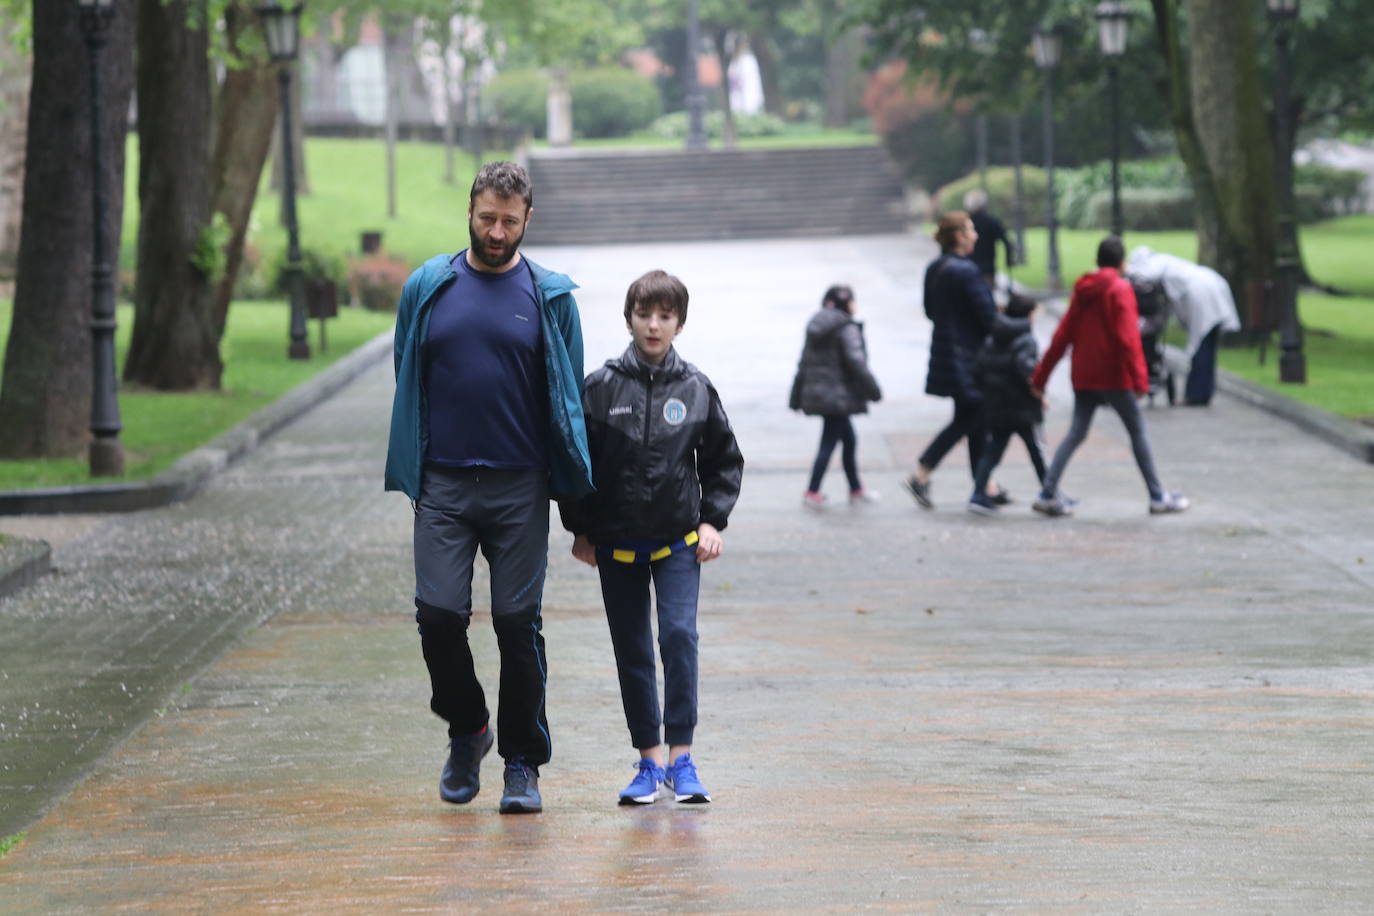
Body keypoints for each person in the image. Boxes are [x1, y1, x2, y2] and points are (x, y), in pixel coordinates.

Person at [383, 161, 594, 815]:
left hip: (519, 486)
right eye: (486, 217)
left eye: (509, 220)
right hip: (443, 484)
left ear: (527, 220)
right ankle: (468, 728)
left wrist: (581, 504)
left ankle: (523, 764)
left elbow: (569, 399)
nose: (496, 230)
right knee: (438, 618)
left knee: (515, 623)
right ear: (470, 212)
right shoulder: (429, 286)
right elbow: (405, 369)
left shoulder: (551, 296)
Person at [563, 269, 744, 806]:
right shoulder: (598, 388)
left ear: (679, 324)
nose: (654, 325)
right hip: (615, 546)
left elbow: (723, 461)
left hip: (677, 544)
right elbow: (574, 462)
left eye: (665, 316)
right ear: (629, 319)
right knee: (633, 650)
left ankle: (683, 759)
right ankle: (649, 761)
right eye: (645, 314)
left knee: (678, 638)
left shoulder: (695, 389)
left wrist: (712, 521)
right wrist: (581, 528)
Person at [1029, 236, 1189, 517]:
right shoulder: (1120, 289)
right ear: (1121, 262)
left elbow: (1062, 335)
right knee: (1137, 431)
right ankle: (1157, 496)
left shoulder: (1082, 290)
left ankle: (1047, 492)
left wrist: (1040, 378)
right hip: (1114, 376)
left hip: (1084, 374)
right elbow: (1129, 339)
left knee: (1076, 432)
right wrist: (1140, 381)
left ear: (1098, 260)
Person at [904, 211, 1029, 510]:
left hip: (948, 353)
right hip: (969, 358)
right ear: (959, 237)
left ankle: (984, 485)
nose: (975, 235)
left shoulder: (936, 267)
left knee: (976, 419)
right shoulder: (966, 271)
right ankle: (922, 474)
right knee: (969, 419)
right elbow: (990, 322)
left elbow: (931, 311)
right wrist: (1025, 324)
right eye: (971, 231)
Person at [789, 284, 883, 510]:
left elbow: (803, 363)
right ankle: (812, 491)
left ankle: (855, 489)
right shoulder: (846, 327)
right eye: (853, 300)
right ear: (845, 303)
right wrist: (873, 390)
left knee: (848, 440)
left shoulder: (816, 326)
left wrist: (796, 396)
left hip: (824, 396)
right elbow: (857, 362)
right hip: (839, 398)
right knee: (829, 442)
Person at [1126, 246, 1241, 406]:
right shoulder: (1167, 262)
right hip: (1210, 285)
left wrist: (1124, 272)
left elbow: (1143, 274)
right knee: (1206, 343)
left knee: (1201, 344)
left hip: (1202, 293)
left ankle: (1195, 395)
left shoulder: (1157, 263)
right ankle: (1203, 393)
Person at [967, 293, 1048, 516]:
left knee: (993, 451)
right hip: (1022, 407)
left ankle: (977, 493)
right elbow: (1027, 370)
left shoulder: (994, 336)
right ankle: (1050, 492)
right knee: (1036, 451)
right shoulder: (1026, 339)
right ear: (1029, 314)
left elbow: (979, 368)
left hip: (997, 405)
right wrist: (1038, 393)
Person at [965, 189, 1015, 288]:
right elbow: (1007, 242)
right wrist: (1008, 261)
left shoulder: (964, 223)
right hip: (987, 268)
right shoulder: (991, 222)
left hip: (967, 267)